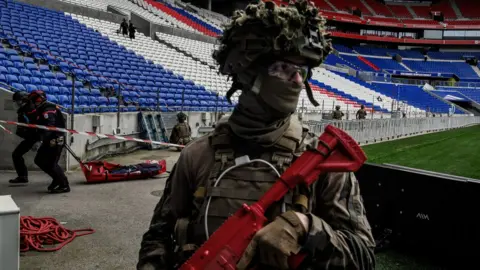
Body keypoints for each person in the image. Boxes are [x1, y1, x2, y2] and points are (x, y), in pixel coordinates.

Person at [137, 1, 375, 270]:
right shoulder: (197, 155)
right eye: (284, 68)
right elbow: (158, 237)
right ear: (248, 71)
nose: (298, 81)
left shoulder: (322, 161)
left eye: (303, 71)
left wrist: (308, 229)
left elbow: (363, 256)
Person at [28, 90, 70, 193]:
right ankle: (57, 179)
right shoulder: (42, 108)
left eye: (33, 102)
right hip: (49, 139)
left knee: (51, 163)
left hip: (55, 139)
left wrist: (40, 141)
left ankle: (64, 185)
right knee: (39, 160)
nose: (32, 104)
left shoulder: (48, 109)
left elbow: (49, 126)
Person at [9, 91, 39, 184]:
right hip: (30, 138)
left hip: (35, 137)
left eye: (17, 101)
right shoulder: (24, 109)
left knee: (43, 160)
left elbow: (37, 125)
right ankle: (22, 176)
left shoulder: (30, 110)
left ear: (22, 100)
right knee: (16, 155)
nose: (16, 103)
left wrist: (38, 141)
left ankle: (59, 179)